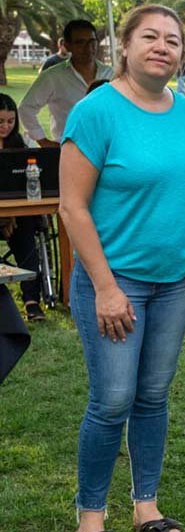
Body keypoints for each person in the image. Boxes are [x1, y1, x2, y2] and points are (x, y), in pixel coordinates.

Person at [59, 4, 185, 532]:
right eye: (150, 36)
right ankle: (90, 519)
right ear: (125, 45)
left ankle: (147, 506)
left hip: (173, 281)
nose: (162, 46)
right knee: (112, 399)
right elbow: (72, 208)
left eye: (172, 39)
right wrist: (104, 287)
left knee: (153, 397)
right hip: (115, 281)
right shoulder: (96, 111)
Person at [19, 19, 114, 147]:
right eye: (80, 42)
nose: (88, 47)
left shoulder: (111, 74)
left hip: (106, 148)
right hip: (68, 148)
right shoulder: (53, 76)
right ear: (67, 45)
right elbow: (26, 108)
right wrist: (42, 141)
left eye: (92, 41)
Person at [0, 93, 43, 321]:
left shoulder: (24, 144)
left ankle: (32, 301)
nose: (5, 127)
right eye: (0, 122)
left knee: (26, 230)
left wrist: (11, 216)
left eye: (10, 121)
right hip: (5, 218)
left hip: (17, 217)